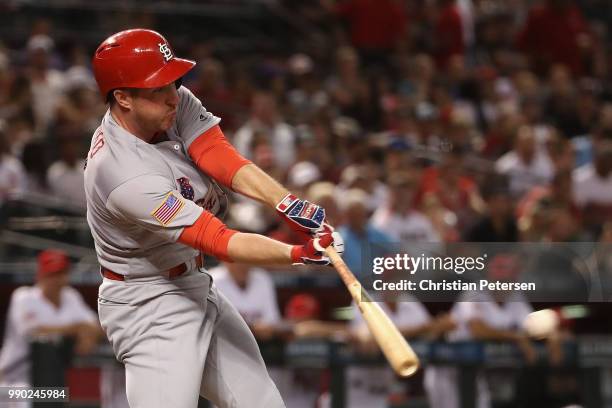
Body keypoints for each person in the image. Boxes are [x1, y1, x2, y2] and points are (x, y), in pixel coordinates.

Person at [85, 29, 344, 408]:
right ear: (122, 98)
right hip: (147, 302)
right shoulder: (122, 173)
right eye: (157, 88)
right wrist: (297, 253)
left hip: (192, 282)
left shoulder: (167, 104)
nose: (173, 95)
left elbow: (216, 155)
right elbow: (220, 240)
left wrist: (288, 203)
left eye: (172, 81)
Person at [0, 250, 100, 389]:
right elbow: (33, 332)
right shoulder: (24, 297)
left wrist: (89, 336)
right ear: (40, 275)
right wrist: (77, 328)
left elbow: (96, 326)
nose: (57, 280)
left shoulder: (70, 296)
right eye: (52, 275)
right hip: (14, 379)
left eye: (61, 274)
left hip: (51, 378)